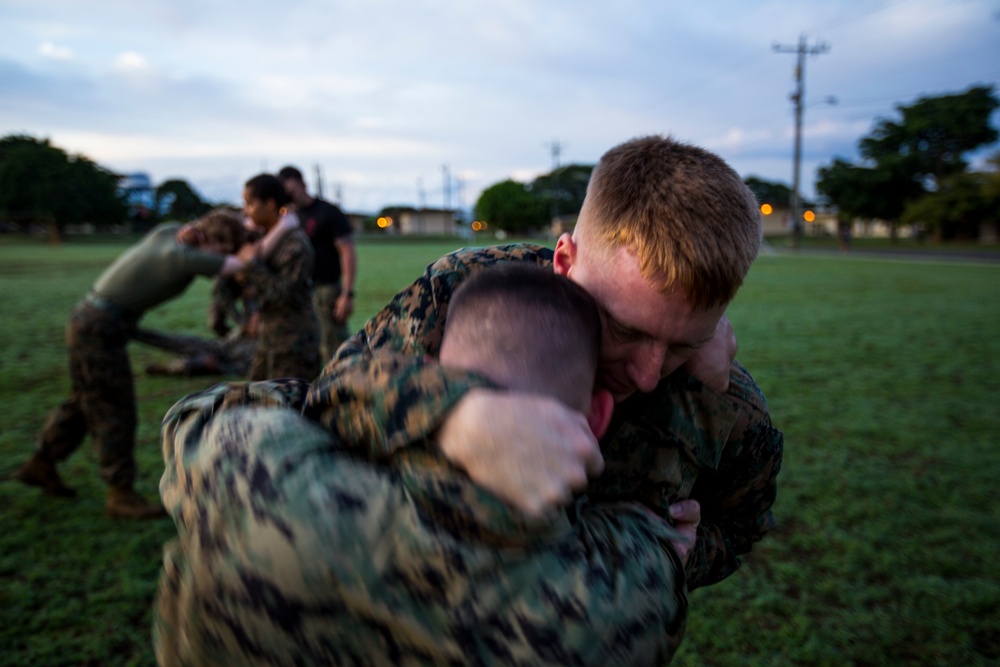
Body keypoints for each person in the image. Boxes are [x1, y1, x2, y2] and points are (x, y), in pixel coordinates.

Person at [303, 135, 784, 591]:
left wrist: (683, 556)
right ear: (564, 262)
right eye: (624, 329)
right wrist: (454, 411)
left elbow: (742, 523)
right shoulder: (470, 295)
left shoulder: (729, 402)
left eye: (683, 344)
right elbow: (328, 399)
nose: (647, 374)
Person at [155, 265, 689, 665]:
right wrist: (696, 341)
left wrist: (441, 406)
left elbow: (199, 415)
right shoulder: (631, 596)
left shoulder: (263, 481)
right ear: (598, 415)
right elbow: (663, 540)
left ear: (429, 370)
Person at [15, 207, 249, 519]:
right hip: (100, 328)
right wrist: (281, 229)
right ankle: (120, 494)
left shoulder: (168, 231)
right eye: (226, 246)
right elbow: (241, 265)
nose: (226, 253)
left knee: (86, 400)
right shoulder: (183, 257)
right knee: (114, 409)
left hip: (90, 320)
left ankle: (41, 463)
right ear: (214, 240)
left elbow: (203, 238)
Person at [239, 173, 320, 381]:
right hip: (268, 340)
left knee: (289, 407)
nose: (245, 210)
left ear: (269, 203)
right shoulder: (261, 238)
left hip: (294, 344)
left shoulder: (295, 245)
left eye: (250, 203)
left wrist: (253, 265)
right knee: (255, 401)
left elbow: (281, 293)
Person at [278, 165, 357, 362]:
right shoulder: (287, 219)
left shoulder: (327, 212)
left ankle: (344, 387)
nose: (290, 196)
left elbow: (347, 252)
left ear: (303, 184)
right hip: (299, 293)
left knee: (334, 349)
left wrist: (346, 294)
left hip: (326, 289)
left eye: (291, 191)